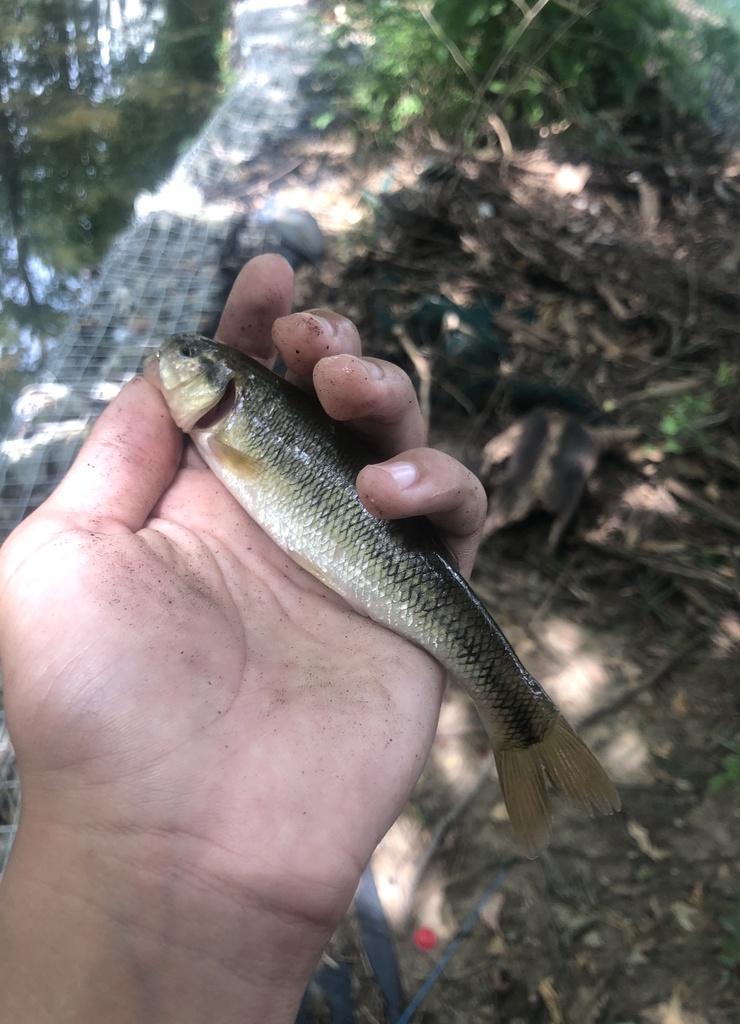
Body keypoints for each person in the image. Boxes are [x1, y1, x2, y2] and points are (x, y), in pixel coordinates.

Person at [0, 255, 487, 1023]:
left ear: (215, 384)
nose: (173, 360)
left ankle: (519, 713)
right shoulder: (213, 425)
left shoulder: (228, 415)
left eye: (191, 361)